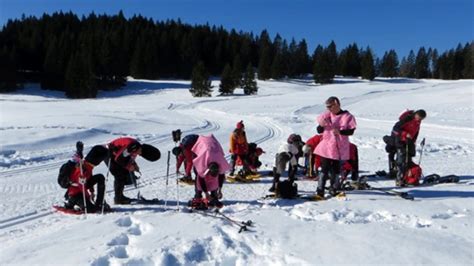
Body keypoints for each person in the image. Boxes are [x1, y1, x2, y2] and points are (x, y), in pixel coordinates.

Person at [314, 96, 357, 198]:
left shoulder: (348, 116)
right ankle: (320, 189)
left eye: (330, 106)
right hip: (327, 146)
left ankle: (334, 188)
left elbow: (351, 131)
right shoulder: (327, 115)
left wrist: (340, 132)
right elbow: (319, 130)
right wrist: (322, 125)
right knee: (324, 168)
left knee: (336, 169)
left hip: (340, 147)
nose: (328, 109)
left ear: (337, 104)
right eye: (327, 107)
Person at [107, 137, 161, 204]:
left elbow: (128, 157)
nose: (138, 154)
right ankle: (118, 199)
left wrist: (134, 165)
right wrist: (129, 166)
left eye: (140, 154)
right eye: (140, 153)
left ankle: (120, 196)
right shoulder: (133, 146)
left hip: (117, 155)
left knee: (124, 173)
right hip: (109, 153)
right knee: (119, 174)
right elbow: (119, 159)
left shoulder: (136, 148)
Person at [61, 145, 111, 212]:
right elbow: (81, 186)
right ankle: (71, 203)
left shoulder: (87, 165)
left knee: (100, 177)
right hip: (76, 193)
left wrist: (92, 191)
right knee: (91, 210)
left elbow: (89, 178)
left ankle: (99, 203)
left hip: (80, 189)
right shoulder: (83, 169)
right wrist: (88, 198)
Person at [384, 109, 426, 186]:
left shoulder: (417, 122)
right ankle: (399, 179)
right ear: (416, 114)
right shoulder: (408, 118)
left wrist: (413, 141)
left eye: (421, 119)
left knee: (408, 159)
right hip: (400, 140)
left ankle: (406, 176)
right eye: (419, 118)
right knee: (402, 160)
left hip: (408, 142)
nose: (419, 120)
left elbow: (416, 132)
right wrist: (405, 134)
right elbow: (395, 129)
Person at [189, 134, 230, 209]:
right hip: (199, 152)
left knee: (214, 183)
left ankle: (213, 195)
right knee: (198, 177)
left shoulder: (221, 164)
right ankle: (198, 197)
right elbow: (201, 179)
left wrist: (219, 190)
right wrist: (206, 193)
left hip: (213, 151)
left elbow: (220, 177)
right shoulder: (202, 166)